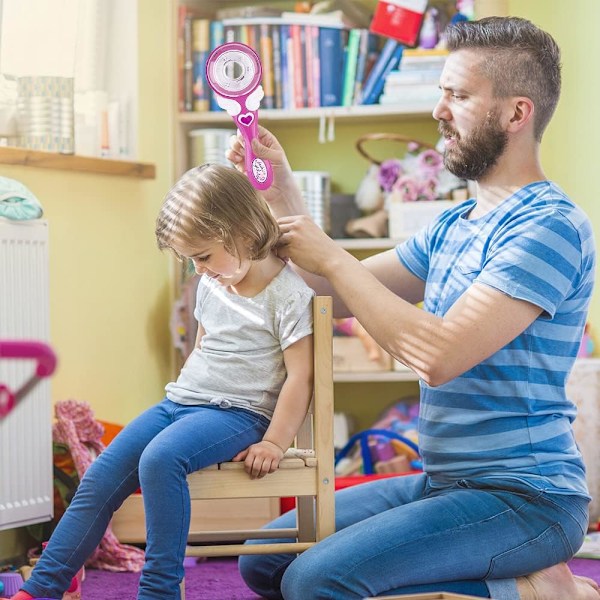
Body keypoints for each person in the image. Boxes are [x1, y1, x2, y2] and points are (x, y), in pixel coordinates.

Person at [226, 16, 600, 600]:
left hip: (527, 498)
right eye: (441, 93)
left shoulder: (550, 227)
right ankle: (511, 577)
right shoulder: (454, 224)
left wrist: (332, 255)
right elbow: (326, 286)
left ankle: (543, 591)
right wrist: (282, 194)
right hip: (445, 482)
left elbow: (439, 355)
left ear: (516, 113)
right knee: (265, 560)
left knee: (316, 581)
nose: (438, 110)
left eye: (457, 95)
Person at [2, 163, 315, 600]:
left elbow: (301, 376)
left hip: (239, 413)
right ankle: (40, 589)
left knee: (160, 460)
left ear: (242, 230)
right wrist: (182, 405)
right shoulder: (212, 283)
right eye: (191, 259)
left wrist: (276, 441)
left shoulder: (290, 293)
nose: (199, 269)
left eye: (203, 255)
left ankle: (158, 592)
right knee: (102, 474)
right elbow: (203, 352)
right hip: (182, 402)